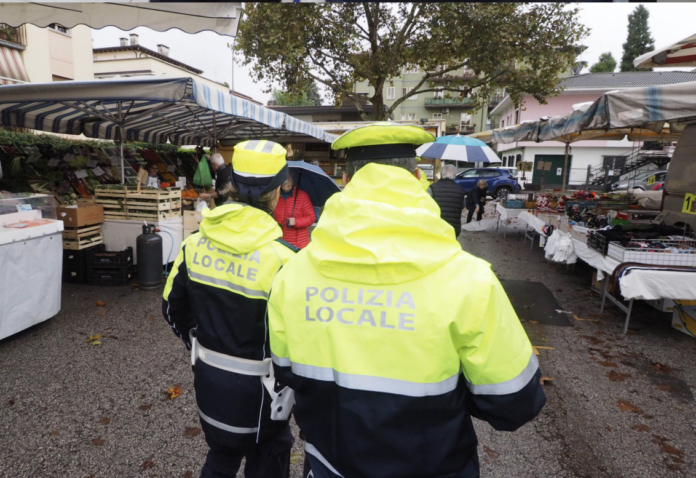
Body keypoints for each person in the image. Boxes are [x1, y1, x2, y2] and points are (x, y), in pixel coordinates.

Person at [267, 122, 545, 478]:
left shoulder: (293, 274)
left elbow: (289, 374)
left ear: (347, 182)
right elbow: (514, 405)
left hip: (329, 466)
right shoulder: (469, 279)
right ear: (417, 177)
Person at [162, 140, 298, 478]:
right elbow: (299, 341)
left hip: (210, 386)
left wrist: (203, 342)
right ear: (279, 189)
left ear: (232, 185)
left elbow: (171, 308)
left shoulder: (194, 244)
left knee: (220, 458)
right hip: (265, 403)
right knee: (268, 458)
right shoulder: (286, 260)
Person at [273, 173, 315, 249]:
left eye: (289, 179)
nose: (286, 182)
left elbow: (311, 217)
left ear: (293, 181)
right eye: (284, 179)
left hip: (298, 244)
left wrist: (296, 221)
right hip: (278, 241)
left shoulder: (302, 196)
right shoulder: (274, 196)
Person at [428, 164, 466, 235]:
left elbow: (427, 205)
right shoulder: (460, 189)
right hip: (454, 228)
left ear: (441, 174)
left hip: (436, 226)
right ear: (454, 175)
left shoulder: (432, 188)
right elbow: (463, 205)